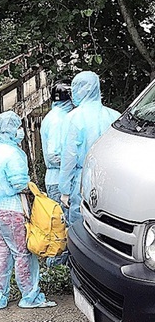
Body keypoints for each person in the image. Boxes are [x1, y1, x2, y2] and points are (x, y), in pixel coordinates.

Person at [0, 111, 56, 310]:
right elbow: (20, 182)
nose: (20, 131)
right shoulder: (13, 153)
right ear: (11, 130)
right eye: (17, 127)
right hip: (12, 208)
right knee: (22, 253)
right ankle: (29, 295)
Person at [57, 71, 120, 225]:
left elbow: (69, 156)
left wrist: (64, 189)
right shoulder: (114, 116)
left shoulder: (73, 118)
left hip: (82, 179)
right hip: (110, 179)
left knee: (80, 226)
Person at [40, 81, 73, 209]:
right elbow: (53, 155)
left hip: (54, 178)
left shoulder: (52, 116)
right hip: (59, 179)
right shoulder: (59, 120)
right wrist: (72, 165)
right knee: (63, 223)